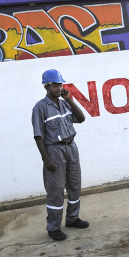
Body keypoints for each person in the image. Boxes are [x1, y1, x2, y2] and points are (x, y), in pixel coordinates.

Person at [32, 69, 89, 241]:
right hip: (54, 151)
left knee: (74, 185)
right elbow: (38, 135)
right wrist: (46, 158)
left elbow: (82, 118)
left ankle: (72, 218)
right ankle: (53, 227)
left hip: (71, 147)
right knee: (56, 191)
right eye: (55, 85)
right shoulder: (40, 107)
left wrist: (70, 99)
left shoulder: (64, 103)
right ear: (47, 87)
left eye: (60, 84)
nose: (59, 88)